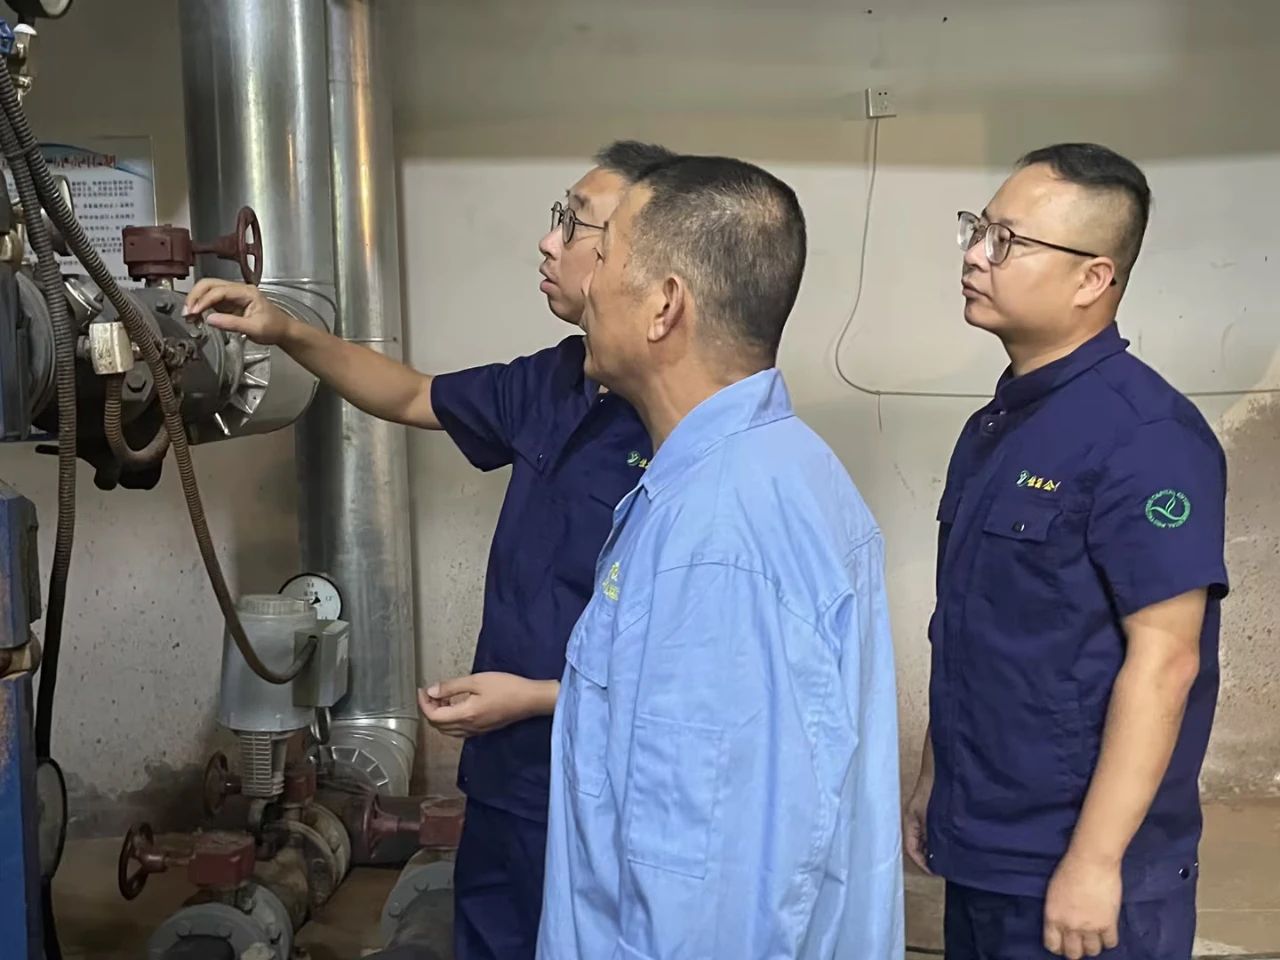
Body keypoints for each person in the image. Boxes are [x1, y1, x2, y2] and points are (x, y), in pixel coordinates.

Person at [182, 140, 677, 960]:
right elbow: (412, 392)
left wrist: (541, 699)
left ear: (644, 262)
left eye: (575, 223)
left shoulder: (685, 433)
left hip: (611, 785)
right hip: (509, 772)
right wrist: (285, 330)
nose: (548, 241)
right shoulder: (556, 381)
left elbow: (691, 669)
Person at [537, 154, 904, 960]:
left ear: (665, 305)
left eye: (606, 254)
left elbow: (705, 893)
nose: (588, 283)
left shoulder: (718, 540)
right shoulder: (772, 470)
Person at [904, 143, 1229, 960]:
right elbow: (972, 628)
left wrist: (1094, 862)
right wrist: (936, 782)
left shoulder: (1146, 436)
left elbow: (1166, 661)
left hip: (1079, 873)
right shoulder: (996, 427)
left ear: (1093, 279)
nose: (976, 255)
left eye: (1007, 241)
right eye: (978, 229)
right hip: (984, 843)